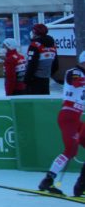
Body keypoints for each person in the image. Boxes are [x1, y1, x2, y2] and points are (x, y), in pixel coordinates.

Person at [37, 50, 85, 197]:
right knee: (70, 150)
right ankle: (48, 180)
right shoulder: (74, 71)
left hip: (77, 117)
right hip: (68, 115)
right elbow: (75, 82)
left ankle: (81, 186)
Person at [25, 23, 58, 96]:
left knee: (33, 103)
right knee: (44, 102)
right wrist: (48, 74)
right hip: (46, 79)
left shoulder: (35, 45)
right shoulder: (53, 46)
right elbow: (56, 65)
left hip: (35, 79)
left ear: (35, 33)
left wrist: (27, 79)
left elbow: (32, 64)